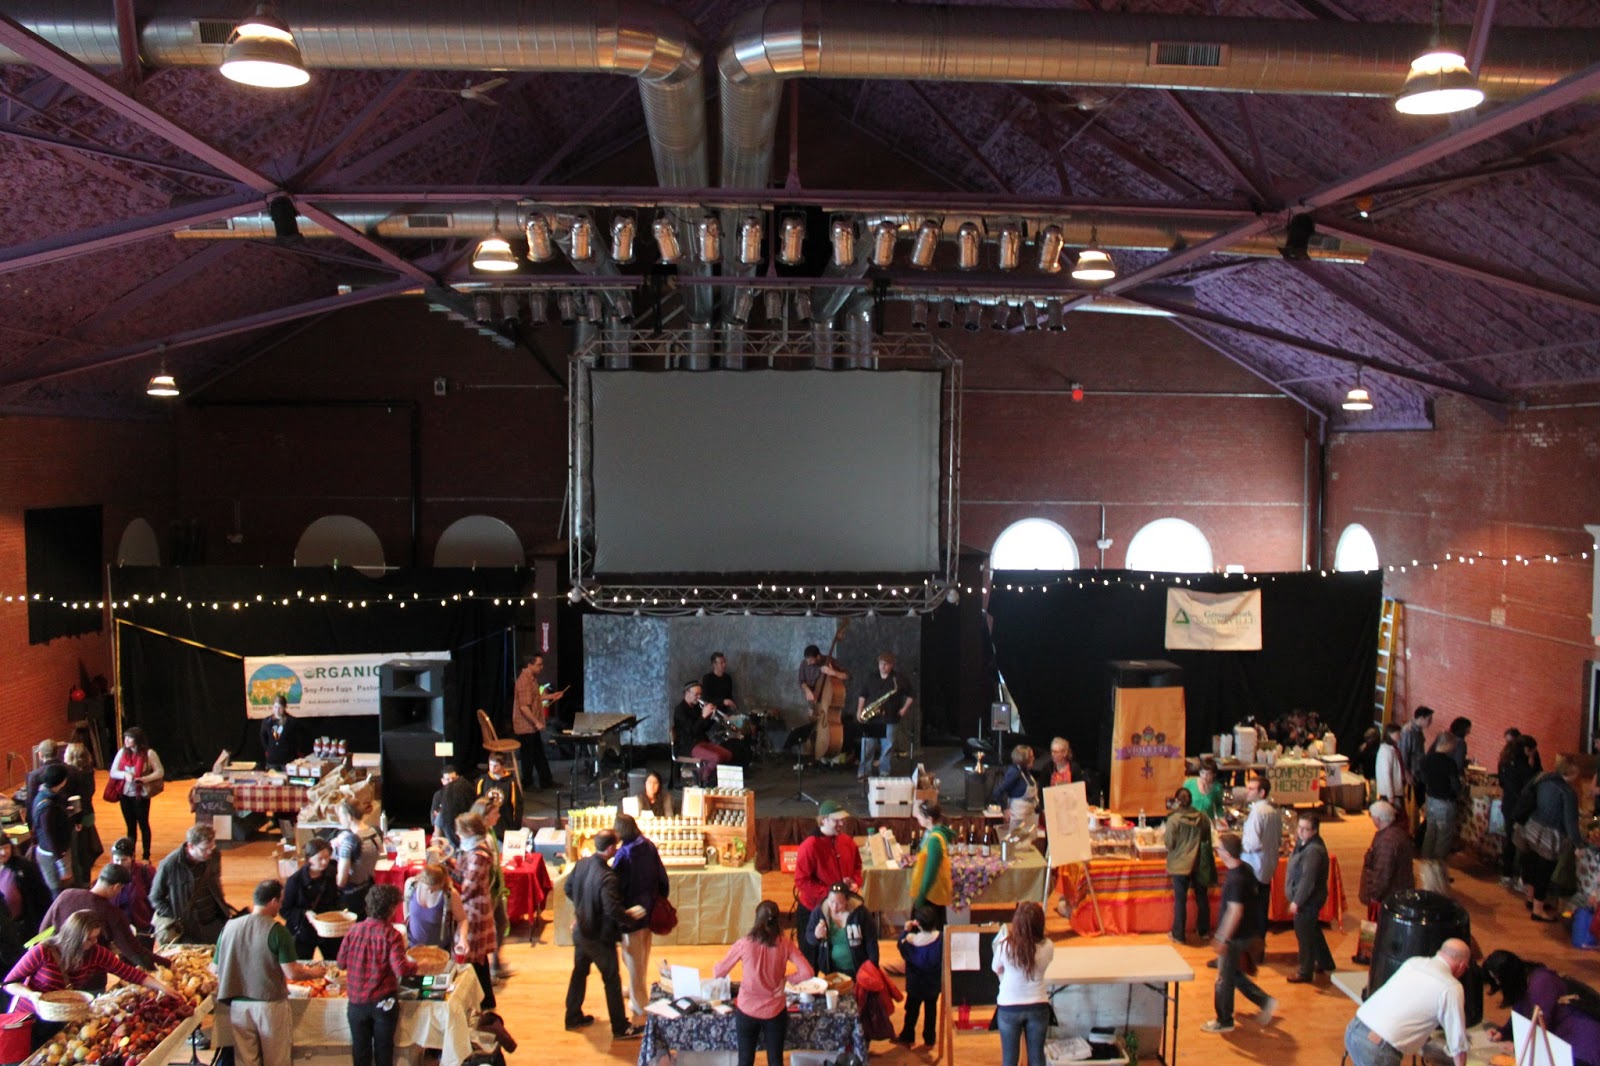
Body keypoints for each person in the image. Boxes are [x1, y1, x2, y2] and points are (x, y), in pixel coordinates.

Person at [215, 880, 325, 1066]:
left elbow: (215, 968)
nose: (281, 906)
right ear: (273, 901)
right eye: (280, 901)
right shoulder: (277, 931)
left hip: (238, 1006)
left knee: (245, 1061)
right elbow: (292, 973)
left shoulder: (229, 927)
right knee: (276, 1060)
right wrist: (315, 973)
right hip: (269, 1005)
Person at [4, 911, 174, 1024]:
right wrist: (31, 995)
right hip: (29, 1016)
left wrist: (163, 988)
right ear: (74, 937)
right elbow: (9, 983)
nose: (94, 942)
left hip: (62, 1017)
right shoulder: (43, 951)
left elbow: (128, 972)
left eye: (96, 937)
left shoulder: (95, 952)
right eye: (89, 939)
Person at [563, 828, 646, 1040]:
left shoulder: (581, 864)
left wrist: (582, 909)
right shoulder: (608, 877)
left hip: (581, 931)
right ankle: (620, 1027)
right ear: (610, 848)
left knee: (579, 972)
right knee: (612, 979)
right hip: (599, 937)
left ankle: (572, 1017)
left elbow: (568, 888)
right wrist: (630, 918)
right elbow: (612, 909)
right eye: (615, 846)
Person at [713, 899, 815, 1066]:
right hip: (775, 1011)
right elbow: (808, 972)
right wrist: (786, 980)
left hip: (747, 1010)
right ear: (778, 921)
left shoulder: (744, 943)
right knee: (775, 1061)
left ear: (756, 919)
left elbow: (719, 972)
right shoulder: (786, 944)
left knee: (745, 1061)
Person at [1344, 939, 1471, 1066]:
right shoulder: (1451, 987)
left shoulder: (1413, 962)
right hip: (1377, 1047)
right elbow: (1457, 1043)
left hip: (1355, 1028)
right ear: (1462, 966)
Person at [1201, 833, 1277, 1034]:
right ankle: (1265, 1001)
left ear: (1226, 853)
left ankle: (1224, 1020)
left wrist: (1221, 938)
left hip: (1234, 938)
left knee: (1223, 979)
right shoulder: (1246, 869)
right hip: (1247, 933)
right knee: (1233, 975)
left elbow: (1235, 911)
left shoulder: (1235, 880)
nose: (1216, 851)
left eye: (1218, 848)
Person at [340, 884, 417, 1066]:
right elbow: (401, 970)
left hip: (356, 1003)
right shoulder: (391, 935)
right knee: (384, 1051)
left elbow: (341, 963)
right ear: (391, 908)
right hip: (383, 1003)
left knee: (360, 1052)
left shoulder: (353, 930)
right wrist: (415, 965)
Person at [1483, 950, 1600, 1066]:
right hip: (1564, 1041)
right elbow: (1521, 1013)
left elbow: (1540, 1025)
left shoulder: (1541, 983)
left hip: (1580, 1046)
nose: (1497, 983)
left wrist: (1520, 1047)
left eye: (1498, 979)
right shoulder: (1526, 982)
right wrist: (1504, 1032)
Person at [39, 864, 155, 969]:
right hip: (92, 972)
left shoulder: (66, 895)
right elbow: (134, 951)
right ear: (116, 887)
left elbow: (44, 931)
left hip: (58, 965)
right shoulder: (112, 913)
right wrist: (160, 963)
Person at [612, 813, 668, 1023]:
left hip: (631, 913)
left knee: (632, 958)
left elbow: (615, 885)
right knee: (642, 955)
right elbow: (662, 877)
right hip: (649, 909)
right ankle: (636, 990)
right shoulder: (649, 845)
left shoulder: (624, 854)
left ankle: (639, 1003)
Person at [1521, 756, 1583, 922]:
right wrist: (1578, 844)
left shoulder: (1543, 779)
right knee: (1544, 871)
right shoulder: (1568, 792)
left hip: (1533, 827)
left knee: (1532, 865)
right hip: (1551, 836)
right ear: (1571, 772)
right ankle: (1538, 910)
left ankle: (1530, 898)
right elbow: (1570, 822)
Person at [993, 901, 1054, 1066]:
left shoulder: (1006, 946)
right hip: (1038, 1004)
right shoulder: (1048, 946)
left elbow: (995, 967)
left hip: (1009, 1005)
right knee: (1037, 1058)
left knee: (1009, 1060)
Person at [150, 823, 231, 945]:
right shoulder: (170, 864)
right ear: (190, 846)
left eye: (212, 847)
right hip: (188, 929)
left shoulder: (214, 855)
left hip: (214, 923)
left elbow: (217, 884)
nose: (209, 852)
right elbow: (155, 897)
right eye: (204, 849)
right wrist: (176, 915)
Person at [1356, 801, 1415, 962]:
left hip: (1385, 895)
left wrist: (1375, 894)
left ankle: (1369, 955)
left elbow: (1383, 872)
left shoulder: (1387, 842)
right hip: (1397, 891)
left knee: (1377, 927)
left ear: (1378, 819)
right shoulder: (1397, 834)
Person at [454, 812, 498, 1009]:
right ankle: (485, 1000)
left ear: (469, 831)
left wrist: (453, 901)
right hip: (473, 908)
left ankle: (482, 1001)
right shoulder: (472, 849)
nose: (457, 834)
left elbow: (468, 887)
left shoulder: (479, 855)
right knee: (478, 959)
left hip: (474, 911)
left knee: (473, 957)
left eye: (460, 831)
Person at [1284, 811, 1335, 982]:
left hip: (1308, 900)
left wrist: (1297, 901)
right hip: (1307, 899)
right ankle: (1325, 962)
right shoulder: (1304, 843)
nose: (1300, 831)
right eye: (1299, 827)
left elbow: (1308, 880)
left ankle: (1305, 972)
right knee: (1312, 930)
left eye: (1305, 829)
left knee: (1304, 935)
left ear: (1314, 831)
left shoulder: (1313, 851)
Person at [468, 797, 513, 981]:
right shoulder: (479, 839)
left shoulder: (490, 832)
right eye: (495, 813)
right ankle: (487, 971)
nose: (499, 816)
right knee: (486, 932)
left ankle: (496, 963)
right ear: (485, 816)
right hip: (486, 892)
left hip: (494, 888)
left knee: (500, 923)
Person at [1164, 786, 1215, 944]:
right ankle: (1203, 930)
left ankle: (1178, 934)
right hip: (1198, 862)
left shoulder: (1174, 820)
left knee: (1180, 900)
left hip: (1179, 864)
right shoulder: (1202, 817)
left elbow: (1169, 843)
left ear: (1177, 801)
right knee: (1202, 897)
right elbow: (1206, 837)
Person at [1239, 771, 1281, 959]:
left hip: (1254, 866)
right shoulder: (1274, 811)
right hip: (1267, 866)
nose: (1247, 792)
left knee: (1251, 913)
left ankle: (1249, 952)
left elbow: (1253, 844)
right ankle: (1258, 951)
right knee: (1261, 911)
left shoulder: (1257, 812)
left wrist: (1239, 846)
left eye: (1251, 789)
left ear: (1262, 793)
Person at [793, 799, 862, 912]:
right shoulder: (809, 846)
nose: (841, 824)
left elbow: (857, 867)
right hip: (816, 908)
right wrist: (831, 893)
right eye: (836, 820)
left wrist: (855, 882)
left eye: (842, 820)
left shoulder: (848, 842)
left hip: (843, 905)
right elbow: (802, 881)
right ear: (823, 820)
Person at [281, 838, 343, 960]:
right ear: (309, 859)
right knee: (303, 964)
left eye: (327, 857)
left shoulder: (331, 873)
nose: (325, 862)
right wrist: (305, 913)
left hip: (328, 928)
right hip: (305, 930)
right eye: (320, 859)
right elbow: (284, 910)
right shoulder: (295, 881)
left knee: (335, 962)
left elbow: (336, 898)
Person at [108, 727, 163, 862]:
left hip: (140, 795)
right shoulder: (122, 752)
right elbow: (113, 772)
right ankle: (130, 855)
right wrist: (124, 774)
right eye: (125, 737)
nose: (126, 740)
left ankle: (146, 856)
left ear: (137, 739)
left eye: (130, 738)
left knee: (143, 824)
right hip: (125, 794)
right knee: (130, 826)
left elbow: (160, 772)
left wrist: (144, 779)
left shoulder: (149, 754)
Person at [856, 652, 912, 780]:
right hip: (872, 718)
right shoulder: (872, 677)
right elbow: (863, 694)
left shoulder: (898, 678)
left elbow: (911, 694)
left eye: (886, 664)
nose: (883, 666)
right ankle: (864, 772)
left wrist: (904, 709)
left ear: (892, 665)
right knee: (867, 745)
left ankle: (884, 771)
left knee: (887, 747)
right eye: (881, 663)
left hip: (891, 717)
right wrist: (859, 710)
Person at [802, 881, 877, 977]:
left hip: (858, 969)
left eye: (839, 903)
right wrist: (816, 935)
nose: (834, 907)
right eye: (831, 902)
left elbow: (871, 941)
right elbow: (809, 937)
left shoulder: (860, 913)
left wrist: (873, 968)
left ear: (847, 900)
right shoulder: (820, 912)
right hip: (831, 970)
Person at [511, 654, 563, 792]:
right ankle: (527, 783)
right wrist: (536, 722)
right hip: (526, 725)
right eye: (539, 664)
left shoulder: (532, 679)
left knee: (538, 753)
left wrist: (551, 696)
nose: (541, 667)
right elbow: (524, 707)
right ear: (529, 665)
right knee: (528, 755)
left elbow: (534, 698)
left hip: (531, 725)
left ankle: (546, 780)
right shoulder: (524, 681)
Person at [897, 904, 944, 1048]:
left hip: (915, 984)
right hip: (933, 984)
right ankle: (929, 1038)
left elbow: (901, 945)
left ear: (917, 923)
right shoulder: (941, 938)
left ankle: (908, 1035)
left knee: (911, 1010)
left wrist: (906, 930)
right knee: (931, 1011)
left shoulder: (911, 940)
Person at [1497, 732, 1540, 887]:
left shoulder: (1504, 761)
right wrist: (1533, 765)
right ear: (1526, 749)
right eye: (1532, 750)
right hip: (1522, 808)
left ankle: (1506, 874)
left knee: (1510, 839)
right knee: (1524, 844)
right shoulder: (1523, 765)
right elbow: (1531, 785)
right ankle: (1523, 879)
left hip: (1508, 804)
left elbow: (1502, 782)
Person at [673, 681, 732, 786]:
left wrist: (711, 717)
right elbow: (691, 731)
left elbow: (704, 728)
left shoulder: (696, 708)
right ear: (687, 693)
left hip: (701, 741)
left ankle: (705, 776)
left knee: (727, 755)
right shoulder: (680, 710)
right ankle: (702, 777)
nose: (699, 697)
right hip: (688, 745)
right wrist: (703, 716)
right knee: (716, 757)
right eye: (696, 694)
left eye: (700, 694)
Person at [332, 800, 383, 919]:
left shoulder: (349, 842)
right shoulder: (376, 831)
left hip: (352, 895)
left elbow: (341, 881)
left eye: (341, 816)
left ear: (349, 817)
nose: (340, 819)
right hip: (369, 886)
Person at [794, 644, 849, 753]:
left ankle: (826, 753)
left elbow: (847, 676)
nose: (808, 663)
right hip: (813, 704)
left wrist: (833, 672)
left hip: (826, 706)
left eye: (811, 660)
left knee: (826, 732)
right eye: (807, 660)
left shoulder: (830, 661)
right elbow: (801, 681)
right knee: (811, 732)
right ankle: (812, 755)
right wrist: (807, 690)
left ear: (818, 657)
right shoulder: (805, 663)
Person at [30, 764, 75, 896]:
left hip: (54, 851)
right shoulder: (47, 807)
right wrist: (60, 862)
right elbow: (49, 835)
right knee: (59, 892)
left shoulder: (47, 796)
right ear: (62, 781)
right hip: (52, 854)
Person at [1420, 731, 1463, 860]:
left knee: (1430, 832)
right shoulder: (1449, 763)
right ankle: (1438, 865)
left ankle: (1426, 863)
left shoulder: (1425, 760)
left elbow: (1423, 779)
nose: (1454, 748)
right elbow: (1455, 785)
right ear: (1447, 744)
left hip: (1430, 800)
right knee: (1443, 836)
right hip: (1445, 802)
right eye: (1453, 744)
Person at [0, 837, 52, 943]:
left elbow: (42, 895)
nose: (3, 852)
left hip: (27, 925)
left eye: (6, 847)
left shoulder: (24, 867)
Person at [909, 799, 953, 924]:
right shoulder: (932, 834)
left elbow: (930, 872)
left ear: (929, 818)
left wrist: (921, 898)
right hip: (932, 894)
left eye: (920, 815)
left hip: (931, 895)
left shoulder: (934, 840)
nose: (917, 817)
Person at [62, 743, 98, 887]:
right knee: (86, 848)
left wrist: (76, 819)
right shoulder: (89, 771)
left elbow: (75, 799)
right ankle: (86, 880)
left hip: (78, 816)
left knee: (79, 851)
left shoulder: (72, 776)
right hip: (89, 813)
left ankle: (82, 881)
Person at [403, 862, 462, 949]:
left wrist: (462, 939)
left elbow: (462, 919)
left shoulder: (450, 894)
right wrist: (407, 919)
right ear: (421, 881)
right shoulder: (411, 886)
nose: (430, 892)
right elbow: (406, 902)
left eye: (435, 890)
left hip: (439, 949)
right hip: (413, 945)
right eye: (427, 889)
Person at [107, 836, 155, 935]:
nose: (120, 864)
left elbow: (156, 897)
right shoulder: (108, 874)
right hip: (117, 928)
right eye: (117, 860)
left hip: (143, 928)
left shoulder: (145, 872)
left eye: (124, 860)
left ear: (132, 857)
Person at [991, 745, 1040, 836]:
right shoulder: (1014, 772)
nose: (1033, 758)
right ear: (1024, 759)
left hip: (1029, 816)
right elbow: (998, 792)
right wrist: (1005, 809)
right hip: (1018, 817)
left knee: (1029, 841)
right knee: (1017, 841)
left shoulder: (1026, 772)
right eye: (1031, 756)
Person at [1398, 705, 1434, 822]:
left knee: (1419, 803)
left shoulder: (1418, 731)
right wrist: (1406, 774)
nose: (1431, 722)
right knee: (1412, 804)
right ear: (1421, 718)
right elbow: (1403, 753)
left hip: (1418, 772)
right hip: (1412, 774)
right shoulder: (1408, 731)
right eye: (1429, 719)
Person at [475, 752, 523, 840]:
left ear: (503, 766)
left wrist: (516, 826)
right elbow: (477, 803)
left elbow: (517, 806)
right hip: (487, 824)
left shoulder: (511, 783)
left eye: (495, 766)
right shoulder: (483, 780)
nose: (492, 768)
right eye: (490, 765)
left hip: (505, 823)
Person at [431, 764, 476, 847]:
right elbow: (435, 821)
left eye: (453, 779)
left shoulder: (464, 794)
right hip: (448, 841)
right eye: (448, 779)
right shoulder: (438, 796)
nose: (451, 782)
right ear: (443, 781)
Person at [260, 694, 298, 770]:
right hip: (272, 760)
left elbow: (296, 739)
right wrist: (268, 750)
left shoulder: (291, 721)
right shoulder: (267, 721)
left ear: (285, 707)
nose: (277, 710)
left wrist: (293, 752)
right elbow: (263, 736)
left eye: (280, 708)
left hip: (287, 760)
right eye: (275, 707)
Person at [1183, 757, 1226, 822]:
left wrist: (1221, 819)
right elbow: (1182, 803)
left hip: (1208, 822)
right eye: (1202, 773)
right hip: (1190, 821)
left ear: (1214, 774)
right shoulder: (1189, 783)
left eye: (1208, 774)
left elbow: (1219, 805)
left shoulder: (1217, 788)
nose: (1205, 776)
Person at [1374, 723, 1405, 806]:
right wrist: (1390, 795)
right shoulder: (1386, 751)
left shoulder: (1392, 749)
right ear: (1390, 734)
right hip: (1390, 793)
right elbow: (1386, 773)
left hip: (1395, 791)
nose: (1400, 736)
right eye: (1398, 733)